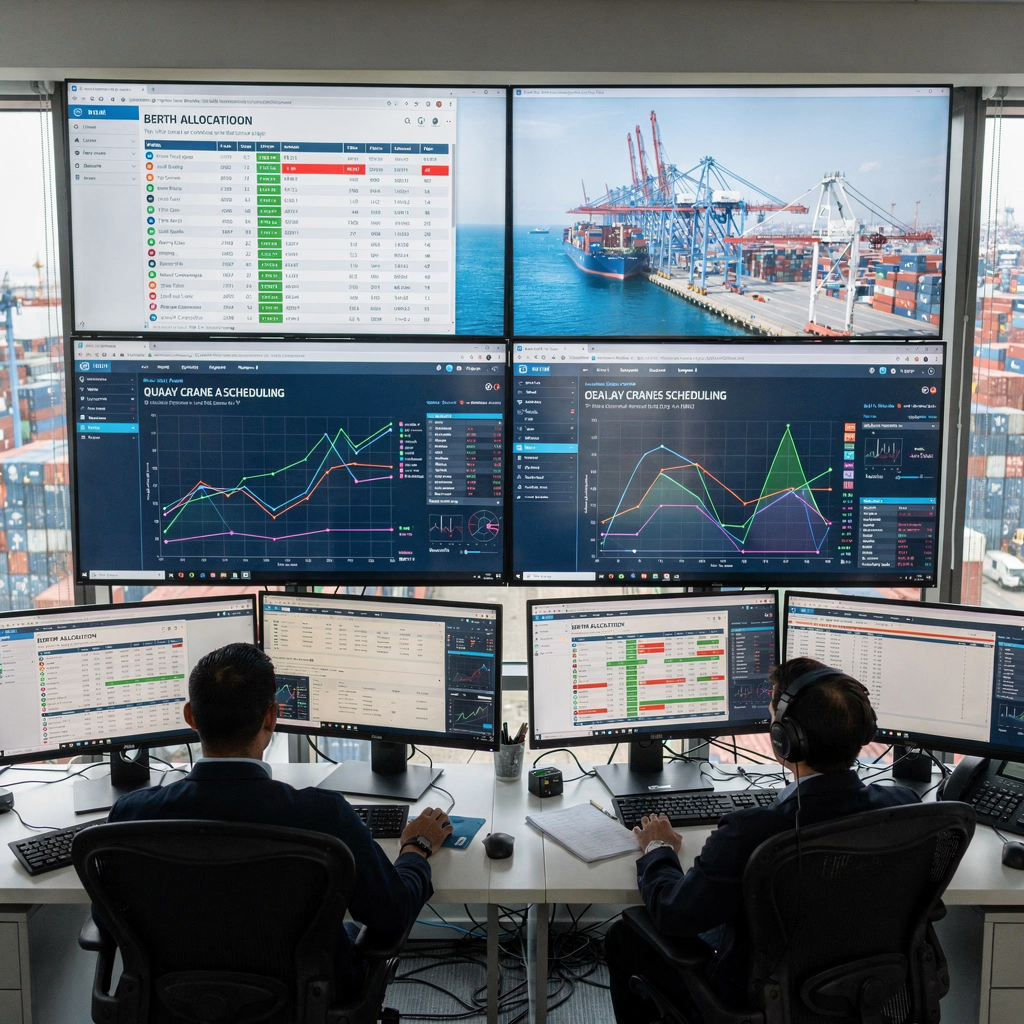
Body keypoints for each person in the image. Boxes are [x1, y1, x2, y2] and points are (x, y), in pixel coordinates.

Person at [105, 642, 452, 997]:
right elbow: (390, 914)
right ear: (271, 718)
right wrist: (416, 849)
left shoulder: (129, 818)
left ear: (190, 716)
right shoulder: (323, 817)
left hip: (173, 1002)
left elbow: (109, 923)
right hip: (305, 1001)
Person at [604, 657, 920, 1024]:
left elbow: (674, 914)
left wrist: (658, 849)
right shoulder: (902, 810)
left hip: (758, 1000)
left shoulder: (751, 832)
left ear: (785, 739)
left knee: (624, 937)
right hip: (861, 992)